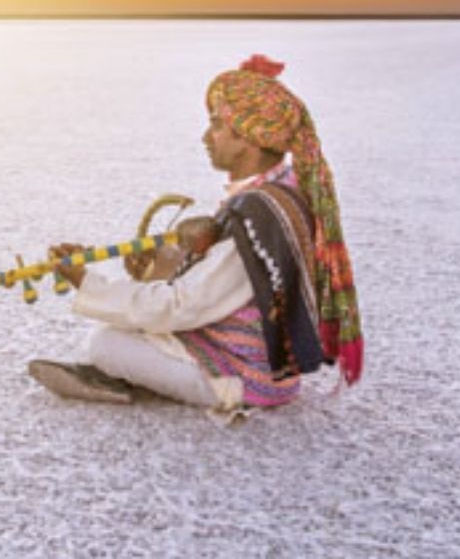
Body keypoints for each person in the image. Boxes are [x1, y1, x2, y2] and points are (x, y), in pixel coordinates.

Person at [28, 54, 362, 412]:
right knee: (138, 322)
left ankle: (161, 385)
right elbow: (225, 290)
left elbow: (184, 306)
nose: (206, 137)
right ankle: (142, 376)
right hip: (253, 361)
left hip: (248, 380)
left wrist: (88, 283)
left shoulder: (258, 214)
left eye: (217, 125)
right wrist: (155, 273)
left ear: (249, 136)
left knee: (106, 343)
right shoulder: (282, 188)